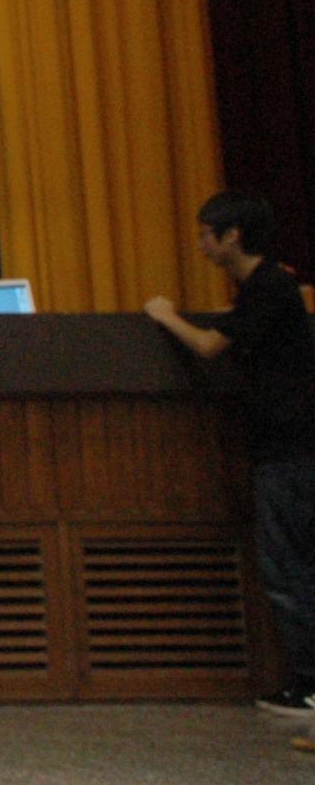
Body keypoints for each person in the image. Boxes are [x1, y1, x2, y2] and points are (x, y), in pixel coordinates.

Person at [147, 191, 315, 715]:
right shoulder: (265, 288)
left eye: (206, 233)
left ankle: (310, 684)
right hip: (290, 445)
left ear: (232, 235)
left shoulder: (268, 287)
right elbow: (244, 326)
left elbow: (207, 346)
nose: (201, 244)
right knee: (293, 563)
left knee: (287, 567)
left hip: (288, 448)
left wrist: (165, 315)